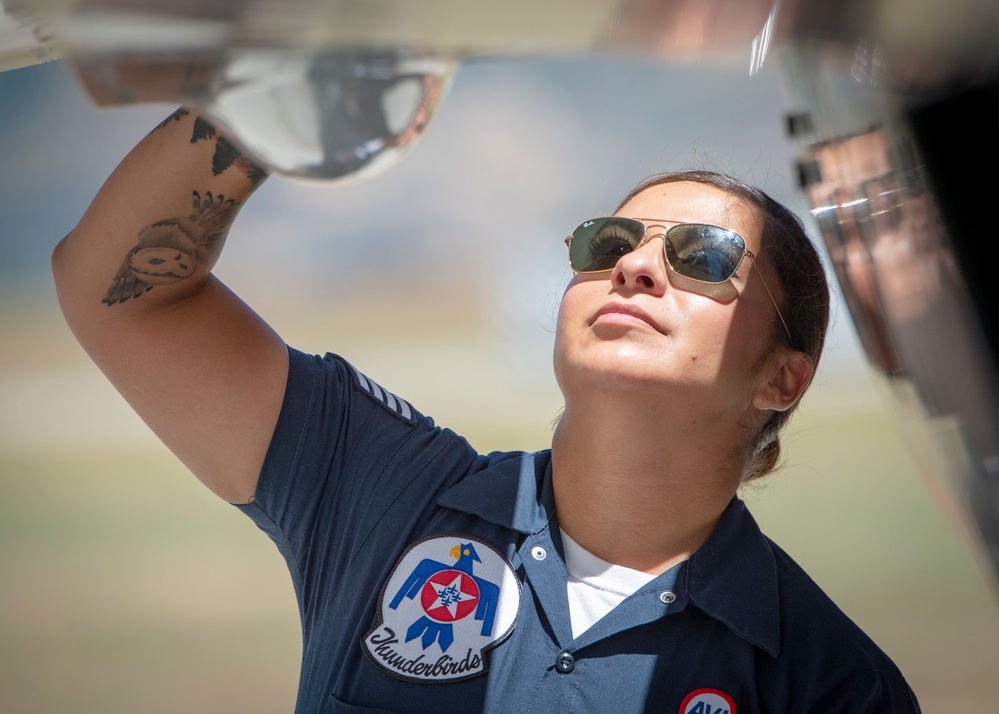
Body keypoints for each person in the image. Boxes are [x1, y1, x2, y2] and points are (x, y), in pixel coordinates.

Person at [52, 108, 920, 713]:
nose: (632, 268)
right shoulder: (382, 489)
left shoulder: (830, 684)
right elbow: (118, 293)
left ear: (782, 378)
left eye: (702, 256)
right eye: (606, 244)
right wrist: (265, 108)